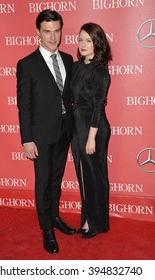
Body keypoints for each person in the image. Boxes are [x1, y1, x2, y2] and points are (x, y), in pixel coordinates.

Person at [16, 9, 76, 254]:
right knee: (43, 183)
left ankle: (55, 218)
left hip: (64, 131)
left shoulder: (69, 59)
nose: (53, 37)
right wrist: (27, 139)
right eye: (47, 31)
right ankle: (47, 230)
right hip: (40, 135)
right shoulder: (27, 64)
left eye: (57, 31)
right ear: (38, 32)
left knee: (56, 179)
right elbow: (24, 104)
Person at [70, 22, 112, 238]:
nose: (83, 44)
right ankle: (91, 218)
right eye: (80, 39)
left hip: (93, 127)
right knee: (83, 175)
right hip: (77, 124)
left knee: (94, 176)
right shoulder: (76, 67)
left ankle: (92, 223)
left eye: (88, 40)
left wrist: (91, 138)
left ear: (97, 43)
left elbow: (98, 106)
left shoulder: (101, 71)